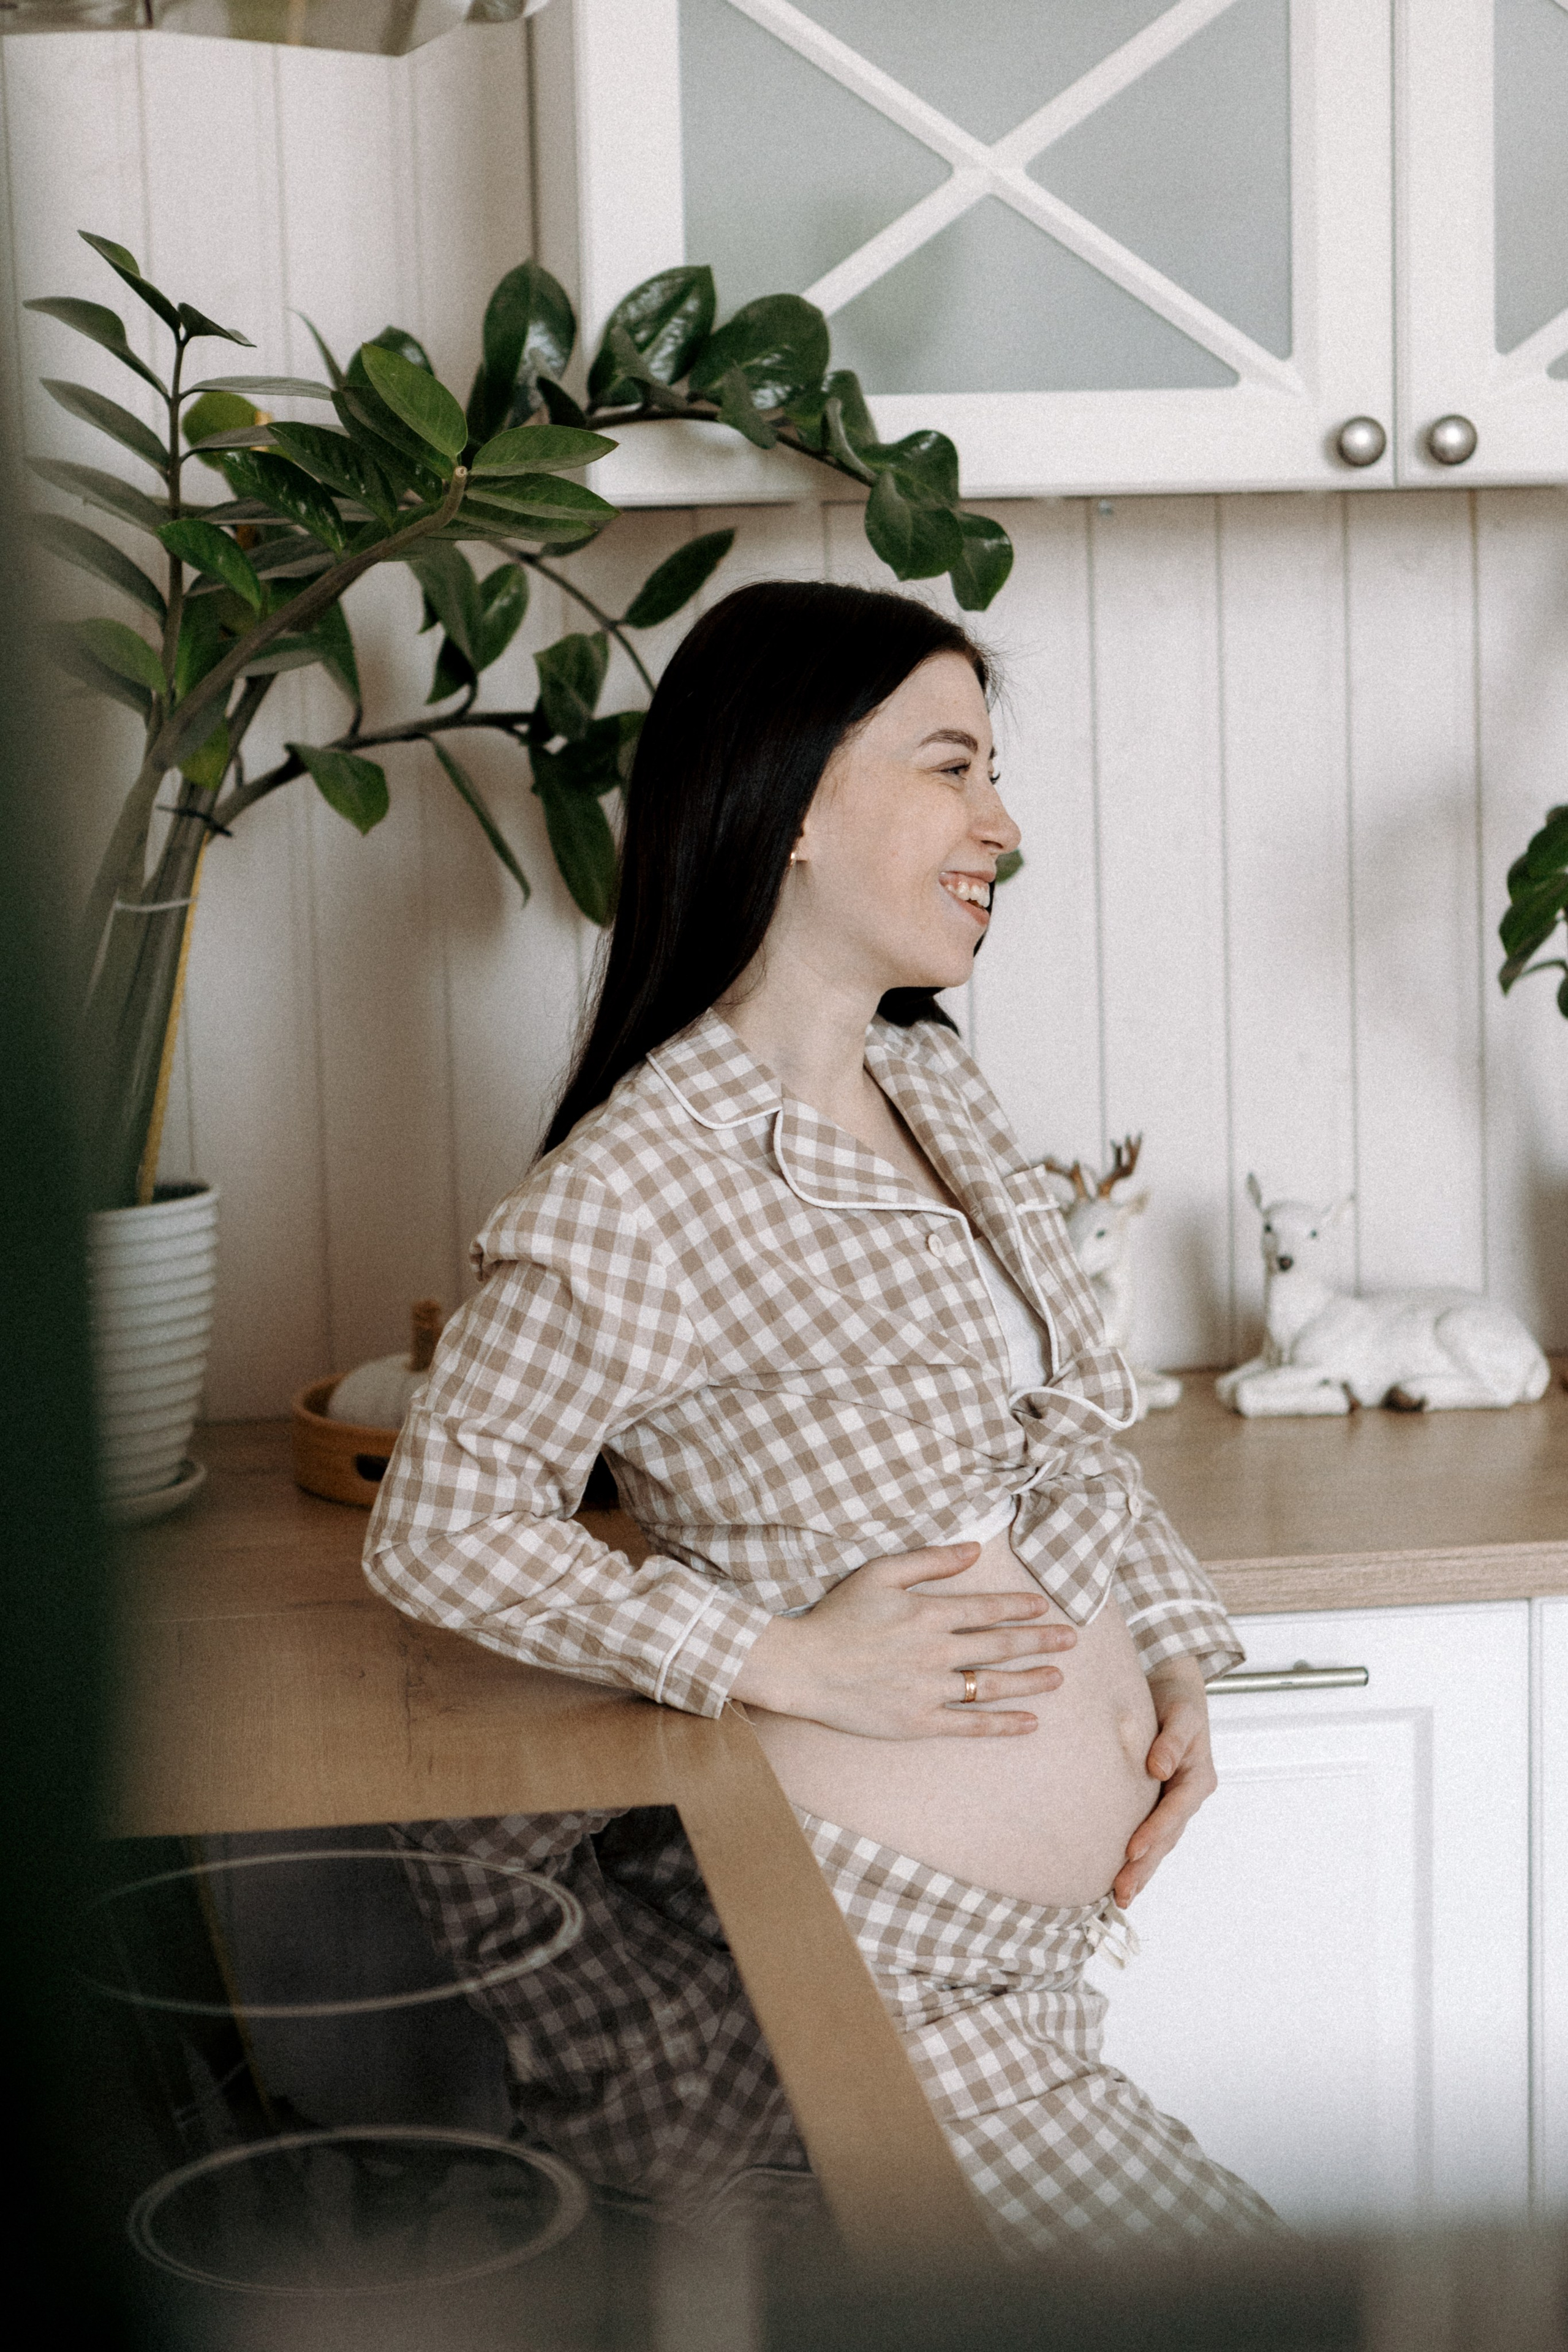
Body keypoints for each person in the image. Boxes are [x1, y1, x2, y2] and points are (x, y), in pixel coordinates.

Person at [364, 581, 1280, 2258]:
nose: (1000, 826)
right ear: (790, 802)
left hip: (1040, 1971)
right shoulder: (645, 1181)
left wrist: (1172, 1661)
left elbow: (1063, 1439)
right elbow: (441, 1524)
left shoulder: (932, 1090)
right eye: (954, 768)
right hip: (877, 1972)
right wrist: (775, 1661)